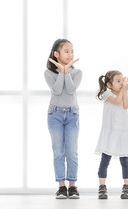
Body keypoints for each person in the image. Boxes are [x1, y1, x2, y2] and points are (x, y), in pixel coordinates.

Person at [45, 39, 82, 199]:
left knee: (72, 152)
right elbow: (58, 91)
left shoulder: (77, 72)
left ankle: (72, 186)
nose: (70, 54)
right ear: (56, 54)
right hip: (55, 115)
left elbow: (71, 89)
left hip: (72, 114)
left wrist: (67, 71)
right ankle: (61, 187)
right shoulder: (48, 73)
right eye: (66, 51)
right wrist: (61, 72)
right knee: (58, 152)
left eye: (72, 51)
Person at [95, 70, 128, 199]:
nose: (121, 83)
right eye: (118, 81)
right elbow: (116, 101)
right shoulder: (106, 94)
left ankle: (126, 187)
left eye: (122, 80)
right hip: (110, 133)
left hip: (123, 133)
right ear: (109, 84)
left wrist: (124, 90)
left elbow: (125, 105)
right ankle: (102, 188)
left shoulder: (125, 94)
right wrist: (124, 90)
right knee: (105, 160)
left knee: (125, 161)